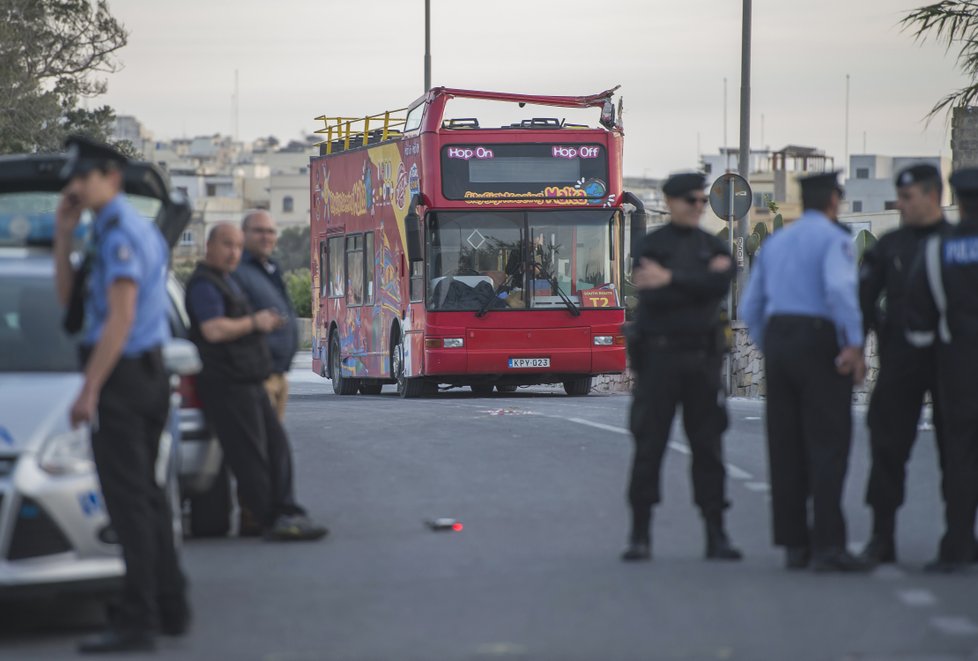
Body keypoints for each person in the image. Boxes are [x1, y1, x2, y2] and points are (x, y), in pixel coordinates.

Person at [53, 135, 189, 653]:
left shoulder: (122, 234)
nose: (76, 187)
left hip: (126, 378)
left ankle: (139, 616)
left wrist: (89, 389)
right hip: (137, 375)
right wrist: (64, 235)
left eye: (83, 178)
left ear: (110, 177)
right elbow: (71, 307)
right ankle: (170, 605)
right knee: (147, 500)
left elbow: (121, 317)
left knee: (130, 503)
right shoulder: (103, 230)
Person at [740, 171, 870, 572]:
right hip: (819, 341)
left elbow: (750, 308)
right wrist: (853, 344)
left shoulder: (777, 242)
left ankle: (795, 545)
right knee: (828, 443)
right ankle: (829, 545)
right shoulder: (834, 240)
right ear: (833, 200)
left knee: (785, 444)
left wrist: (772, 344)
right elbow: (839, 291)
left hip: (780, 340)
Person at [621, 171, 742, 563]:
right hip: (659, 360)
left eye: (702, 201)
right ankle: (640, 534)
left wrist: (672, 279)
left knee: (708, 448)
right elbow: (655, 294)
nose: (698, 207)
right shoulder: (650, 245)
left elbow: (719, 286)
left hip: (702, 362)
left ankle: (716, 533)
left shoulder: (712, 244)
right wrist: (699, 280)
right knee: (649, 446)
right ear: (671, 202)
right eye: (691, 200)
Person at [185, 223, 328, 542]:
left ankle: (286, 510)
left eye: (237, 246)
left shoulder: (226, 281)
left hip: (249, 379)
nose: (233, 252)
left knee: (275, 446)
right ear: (209, 246)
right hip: (227, 384)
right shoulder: (204, 285)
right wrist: (255, 322)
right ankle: (270, 518)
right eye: (226, 245)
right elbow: (213, 330)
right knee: (251, 456)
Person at [857, 164, 951, 564]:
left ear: (932, 196)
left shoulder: (958, 242)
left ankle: (959, 539)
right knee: (887, 446)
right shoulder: (889, 244)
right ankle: (882, 537)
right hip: (900, 359)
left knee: (958, 451)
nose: (901, 205)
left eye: (908, 197)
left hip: (951, 362)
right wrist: (856, 346)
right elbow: (863, 297)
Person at [905, 168, 978, 573]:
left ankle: (958, 542)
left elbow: (919, 316)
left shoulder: (938, 249)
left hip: (959, 369)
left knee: (960, 458)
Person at [233, 210, 298, 421]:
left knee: (273, 446)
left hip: (279, 376)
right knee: (267, 447)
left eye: (270, 232)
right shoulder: (237, 271)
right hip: (257, 377)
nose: (266, 237)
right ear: (243, 233)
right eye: (259, 231)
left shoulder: (271, 267)